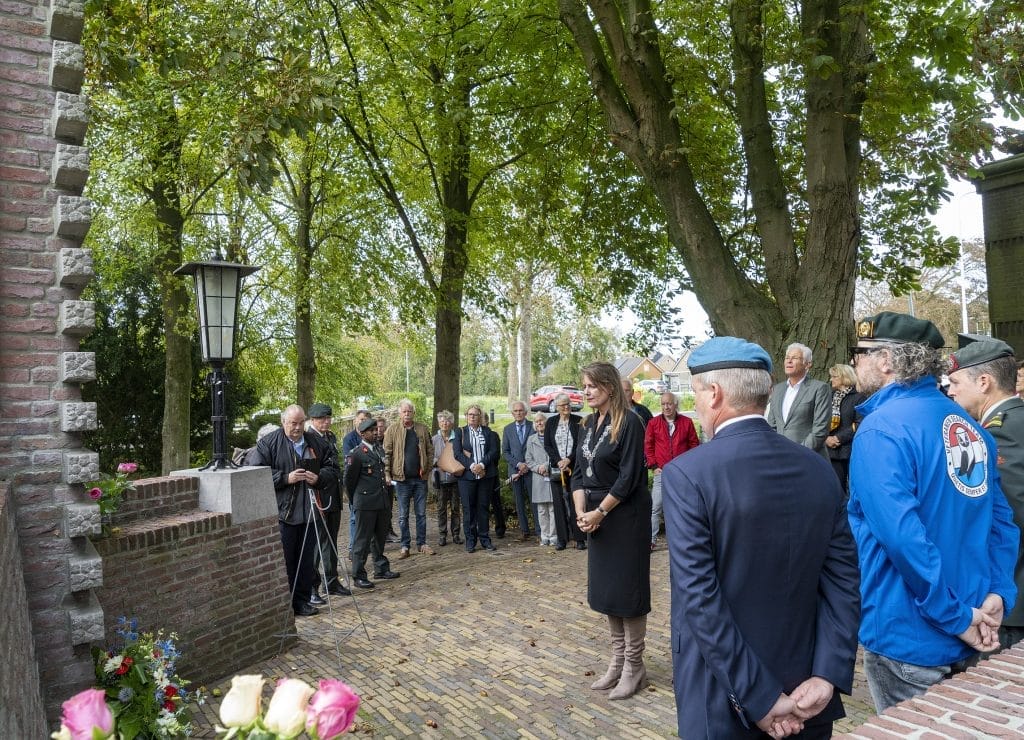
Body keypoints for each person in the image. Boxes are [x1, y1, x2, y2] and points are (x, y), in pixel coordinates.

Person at [662, 337, 861, 738]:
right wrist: (826, 675)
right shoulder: (818, 469)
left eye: (697, 393)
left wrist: (761, 696)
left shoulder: (688, 474)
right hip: (807, 692)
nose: (696, 405)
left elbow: (699, 596)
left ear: (714, 394)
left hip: (724, 696)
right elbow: (844, 581)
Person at [848, 311, 1018, 712]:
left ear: (887, 361)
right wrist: (998, 593)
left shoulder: (881, 429)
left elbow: (903, 539)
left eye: (860, 352)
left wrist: (956, 615)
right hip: (974, 618)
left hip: (912, 632)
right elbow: (1001, 524)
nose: (855, 361)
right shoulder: (968, 424)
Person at [572, 362, 650, 701]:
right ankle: (617, 661)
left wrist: (600, 511)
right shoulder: (588, 423)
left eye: (592, 386)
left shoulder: (630, 421)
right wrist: (580, 512)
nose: (587, 391)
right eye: (585, 386)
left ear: (610, 387)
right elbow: (577, 472)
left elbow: (630, 476)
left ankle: (635, 667)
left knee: (628, 592)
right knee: (607, 592)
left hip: (624, 515)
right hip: (595, 516)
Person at [947, 337, 1024, 649]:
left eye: (955, 382)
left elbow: (1010, 513)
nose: (950, 390)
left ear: (983, 381)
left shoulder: (999, 431)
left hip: (1013, 590)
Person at [250, 405, 340, 617]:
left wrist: (319, 478)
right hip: (284, 514)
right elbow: (256, 473)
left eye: (301, 423)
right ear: (284, 422)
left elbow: (333, 468)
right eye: (293, 423)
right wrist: (284, 478)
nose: (298, 427)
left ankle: (301, 601)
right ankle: (285, 604)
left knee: (306, 560)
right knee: (286, 561)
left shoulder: (316, 442)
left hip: (310, 512)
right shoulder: (269, 443)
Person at [345, 417, 400, 588]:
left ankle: (381, 568)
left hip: (381, 502)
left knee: (379, 538)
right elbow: (349, 481)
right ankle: (358, 575)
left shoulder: (378, 450)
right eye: (371, 431)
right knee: (362, 541)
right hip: (365, 504)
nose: (376, 432)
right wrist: (357, 500)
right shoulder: (357, 454)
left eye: (376, 429)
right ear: (362, 434)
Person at [643, 391, 699, 551]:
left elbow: (694, 445)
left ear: (675, 405)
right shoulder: (653, 423)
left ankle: (683, 539)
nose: (666, 407)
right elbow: (648, 446)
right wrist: (654, 466)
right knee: (656, 507)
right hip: (662, 472)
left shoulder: (687, 423)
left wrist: (689, 466)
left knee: (682, 507)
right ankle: (651, 540)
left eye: (669, 403)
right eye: (663, 404)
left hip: (681, 473)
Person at [306, 403, 350, 604]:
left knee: (331, 541)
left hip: (333, 495)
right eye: (322, 418)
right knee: (316, 545)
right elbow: (312, 471)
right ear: (313, 420)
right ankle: (311, 588)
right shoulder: (308, 440)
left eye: (328, 418)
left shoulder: (329, 437)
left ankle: (331, 581)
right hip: (318, 497)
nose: (327, 421)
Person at [383, 399, 435, 559]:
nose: (407, 414)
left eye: (409, 411)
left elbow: (430, 450)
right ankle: (405, 545)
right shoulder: (392, 430)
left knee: (421, 514)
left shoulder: (422, 429)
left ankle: (421, 544)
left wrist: (427, 470)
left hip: (419, 479)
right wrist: (387, 473)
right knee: (403, 515)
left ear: (413, 413)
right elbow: (387, 454)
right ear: (400, 413)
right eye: (404, 411)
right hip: (401, 479)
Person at [766, 342, 831, 455]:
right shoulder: (777, 390)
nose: (789, 361)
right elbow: (772, 426)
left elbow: (820, 430)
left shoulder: (819, 388)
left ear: (807, 364)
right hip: (780, 457)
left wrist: (797, 453)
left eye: (794, 358)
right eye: (787, 358)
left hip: (808, 458)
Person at [453, 404, 499, 552]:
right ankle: (470, 541)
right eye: (469, 414)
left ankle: (485, 539)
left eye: (475, 414)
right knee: (468, 509)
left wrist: (481, 465)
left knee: (483, 508)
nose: (472, 417)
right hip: (467, 477)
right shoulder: (460, 432)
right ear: (466, 416)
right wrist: (473, 466)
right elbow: (457, 453)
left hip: (486, 476)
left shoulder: (488, 432)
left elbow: (493, 451)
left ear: (480, 417)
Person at [543, 392, 585, 551]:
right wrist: (559, 461)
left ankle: (579, 538)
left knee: (576, 503)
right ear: (557, 407)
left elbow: (581, 444)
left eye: (568, 404)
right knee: (558, 505)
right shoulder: (551, 422)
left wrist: (569, 460)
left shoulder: (578, 421)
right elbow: (547, 445)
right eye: (563, 405)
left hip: (574, 468)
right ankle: (562, 539)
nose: (566, 407)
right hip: (557, 469)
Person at [823, 364, 864, 497]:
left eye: (834, 377)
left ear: (844, 378)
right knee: (836, 491)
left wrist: (838, 438)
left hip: (851, 450)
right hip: (831, 451)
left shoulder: (858, 397)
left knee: (855, 490)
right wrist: (826, 438)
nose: (831, 380)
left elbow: (859, 423)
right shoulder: (829, 395)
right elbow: (820, 419)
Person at [501, 400, 537, 541]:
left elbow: (537, 448)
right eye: (515, 411)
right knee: (519, 501)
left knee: (535, 500)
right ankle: (524, 531)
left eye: (521, 410)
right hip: (515, 471)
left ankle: (539, 530)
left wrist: (528, 464)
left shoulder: (532, 426)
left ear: (526, 412)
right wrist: (518, 464)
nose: (518, 413)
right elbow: (506, 452)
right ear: (512, 413)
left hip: (531, 470)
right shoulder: (507, 429)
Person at [431, 410, 462, 546]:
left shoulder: (457, 438)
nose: (445, 423)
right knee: (441, 508)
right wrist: (439, 461)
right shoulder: (434, 439)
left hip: (455, 478)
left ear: (452, 423)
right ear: (439, 423)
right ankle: (442, 535)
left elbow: (462, 455)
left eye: (447, 420)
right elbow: (429, 457)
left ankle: (456, 534)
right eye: (442, 420)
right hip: (440, 478)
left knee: (455, 507)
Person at [524, 413, 556, 546]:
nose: (539, 423)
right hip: (538, 477)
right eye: (536, 422)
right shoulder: (531, 439)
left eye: (541, 420)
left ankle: (554, 536)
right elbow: (528, 459)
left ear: (546, 422)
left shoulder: (553, 436)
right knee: (542, 509)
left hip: (552, 475)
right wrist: (538, 468)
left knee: (553, 509)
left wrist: (548, 466)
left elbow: (557, 454)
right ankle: (544, 536)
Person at [481, 413, 505, 538]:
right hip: (478, 474)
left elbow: (496, 455)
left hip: (491, 472)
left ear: (487, 422)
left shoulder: (493, 435)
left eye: (483, 420)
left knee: (495, 501)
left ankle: (500, 528)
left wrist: (485, 464)